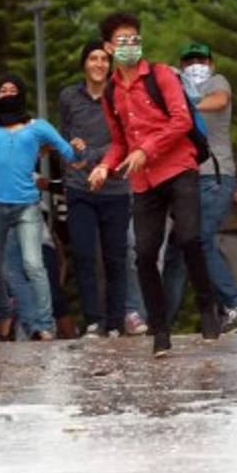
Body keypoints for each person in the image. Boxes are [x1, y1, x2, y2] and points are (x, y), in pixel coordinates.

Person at [87, 12, 219, 357]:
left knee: (190, 237)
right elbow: (118, 143)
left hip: (178, 166)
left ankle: (207, 306)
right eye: (122, 41)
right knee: (144, 256)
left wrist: (147, 148)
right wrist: (104, 167)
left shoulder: (160, 75)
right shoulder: (112, 91)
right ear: (108, 47)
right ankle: (160, 330)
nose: (130, 46)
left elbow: (181, 119)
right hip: (144, 182)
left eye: (134, 39)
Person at [0, 74, 83, 341]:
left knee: (33, 265)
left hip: (26, 207)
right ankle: (7, 314)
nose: (7, 91)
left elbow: (71, 156)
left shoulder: (38, 126)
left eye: (12, 88)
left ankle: (44, 326)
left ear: (21, 94)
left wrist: (78, 149)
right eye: (2, 89)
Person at [163, 42, 237, 334]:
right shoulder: (178, 89)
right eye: (189, 61)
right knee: (179, 247)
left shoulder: (215, 82)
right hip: (187, 177)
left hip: (215, 176)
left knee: (200, 240)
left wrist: (186, 106)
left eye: (200, 60)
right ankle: (163, 320)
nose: (195, 65)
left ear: (211, 63)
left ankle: (236, 302)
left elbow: (220, 100)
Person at [58, 41, 132, 338]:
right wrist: (71, 149)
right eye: (93, 58)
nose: (99, 64)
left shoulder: (122, 96)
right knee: (84, 256)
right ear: (84, 64)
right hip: (79, 189)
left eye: (104, 59)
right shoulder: (68, 96)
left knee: (116, 258)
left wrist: (90, 153)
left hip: (116, 189)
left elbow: (126, 141)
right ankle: (93, 321)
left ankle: (115, 323)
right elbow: (63, 136)